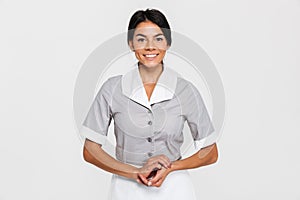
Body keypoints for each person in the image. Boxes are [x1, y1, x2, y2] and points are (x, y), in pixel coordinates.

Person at [80, 8, 218, 200]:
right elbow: (90, 150)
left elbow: (210, 152)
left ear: (168, 43)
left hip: (174, 188)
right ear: (131, 44)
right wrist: (133, 172)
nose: (150, 46)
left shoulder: (185, 91)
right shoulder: (112, 89)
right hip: (126, 188)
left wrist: (171, 167)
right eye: (141, 39)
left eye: (158, 39)